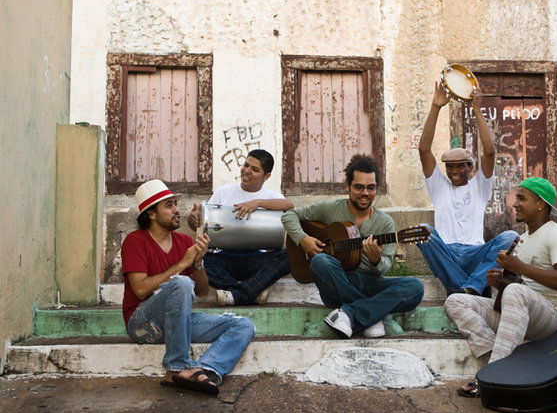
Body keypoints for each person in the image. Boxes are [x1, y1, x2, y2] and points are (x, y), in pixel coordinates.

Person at [122, 179, 256, 395]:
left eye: (175, 203)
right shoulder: (135, 241)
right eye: (169, 205)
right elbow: (140, 289)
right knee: (181, 282)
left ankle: (206, 368)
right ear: (151, 214)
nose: (177, 210)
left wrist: (197, 263)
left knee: (243, 325)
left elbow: (202, 292)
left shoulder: (184, 241)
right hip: (143, 323)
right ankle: (176, 368)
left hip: (177, 321)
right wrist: (182, 265)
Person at [445, 177, 557, 397]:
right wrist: (499, 283)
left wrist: (520, 268)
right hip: (525, 313)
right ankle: (495, 352)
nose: (515, 204)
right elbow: (517, 290)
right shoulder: (521, 240)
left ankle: (492, 377)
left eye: (522, 198)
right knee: (456, 300)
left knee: (516, 292)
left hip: (555, 316)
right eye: (516, 198)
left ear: (540, 204)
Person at [281, 154, 424, 339]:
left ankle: (350, 314)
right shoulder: (331, 209)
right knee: (320, 261)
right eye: (359, 187)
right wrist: (303, 239)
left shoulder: (385, 223)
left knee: (415, 287)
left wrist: (375, 260)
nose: (365, 193)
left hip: (368, 283)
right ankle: (371, 316)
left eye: (371, 188)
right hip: (336, 283)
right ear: (348, 187)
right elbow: (289, 215)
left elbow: (386, 266)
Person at [417, 83, 518, 297]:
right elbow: (424, 149)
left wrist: (476, 109)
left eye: (459, 166)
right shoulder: (438, 185)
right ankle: (470, 289)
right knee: (421, 230)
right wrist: (436, 107)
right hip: (445, 253)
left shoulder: (479, 186)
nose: (453, 171)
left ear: (470, 168)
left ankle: (465, 287)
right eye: (450, 166)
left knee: (510, 236)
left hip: (475, 253)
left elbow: (489, 152)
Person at [187, 149, 293, 306]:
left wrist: (257, 203)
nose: (246, 171)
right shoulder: (223, 192)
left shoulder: (272, 196)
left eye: (255, 169)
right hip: (225, 257)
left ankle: (235, 294)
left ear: (266, 176)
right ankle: (249, 292)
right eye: (246, 165)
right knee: (194, 258)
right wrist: (193, 219)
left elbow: (289, 206)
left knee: (288, 257)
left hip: (257, 260)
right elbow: (202, 224)